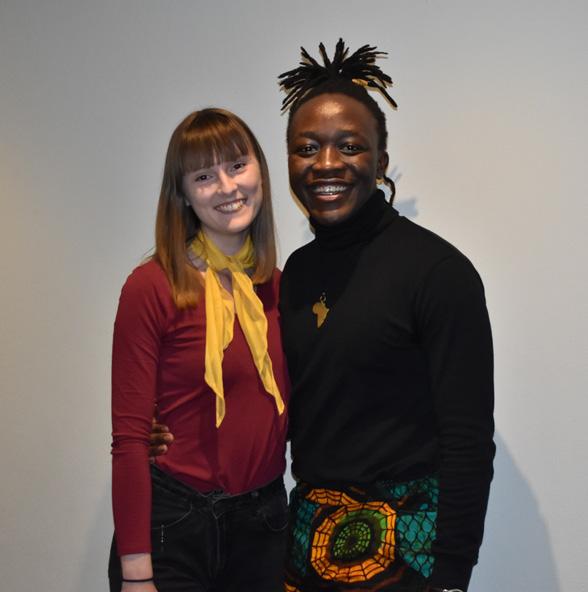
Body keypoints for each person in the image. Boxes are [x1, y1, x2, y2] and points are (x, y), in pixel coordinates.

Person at [151, 40, 495, 592]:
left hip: (410, 551)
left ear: (380, 161)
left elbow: (468, 441)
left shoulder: (438, 272)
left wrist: (452, 575)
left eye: (349, 146)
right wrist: (169, 431)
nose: (327, 163)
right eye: (307, 148)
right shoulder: (294, 274)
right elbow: (274, 397)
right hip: (304, 545)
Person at [109, 108, 290, 592]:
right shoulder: (152, 287)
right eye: (204, 176)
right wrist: (136, 575)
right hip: (174, 527)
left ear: (260, 172)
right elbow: (129, 440)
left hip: (263, 527)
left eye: (237, 166)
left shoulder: (279, 288)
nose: (228, 187)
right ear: (183, 194)